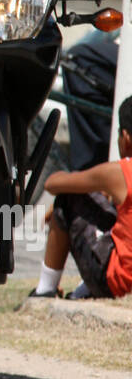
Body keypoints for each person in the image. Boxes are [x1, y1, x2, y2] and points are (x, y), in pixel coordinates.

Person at [33, 96, 132, 299]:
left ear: (126, 138)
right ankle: (81, 291)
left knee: (67, 198)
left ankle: (45, 289)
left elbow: (52, 184)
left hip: (119, 284)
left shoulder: (121, 172)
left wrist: (89, 187)